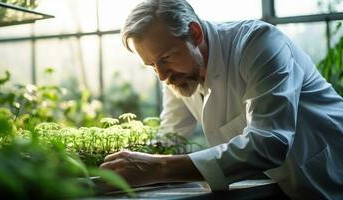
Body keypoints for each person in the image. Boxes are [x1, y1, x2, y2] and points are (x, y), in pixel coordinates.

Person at [99, 0, 343, 199]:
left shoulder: (258, 43)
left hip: (329, 175)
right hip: (274, 187)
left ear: (194, 34)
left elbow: (270, 143)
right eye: (152, 65)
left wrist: (158, 167)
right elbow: (171, 137)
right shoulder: (179, 76)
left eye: (166, 58)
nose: (162, 75)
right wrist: (113, 163)